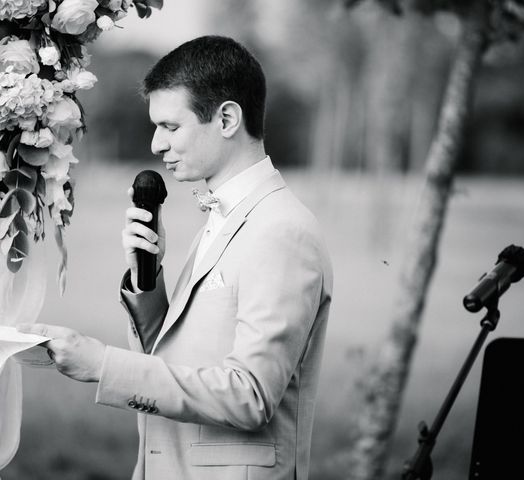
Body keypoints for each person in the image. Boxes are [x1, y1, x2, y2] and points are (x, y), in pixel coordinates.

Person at [20, 35, 333, 480]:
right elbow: (181, 361)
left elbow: (250, 396)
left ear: (226, 118)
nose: (155, 145)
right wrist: (147, 283)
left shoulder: (281, 231)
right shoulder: (222, 217)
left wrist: (101, 365)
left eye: (170, 127)